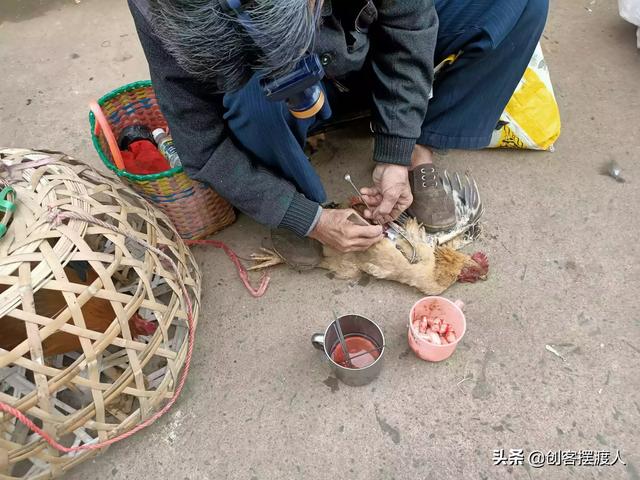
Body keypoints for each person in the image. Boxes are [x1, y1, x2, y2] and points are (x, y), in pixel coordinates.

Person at [128, 0, 548, 253]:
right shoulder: (159, 10)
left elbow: (408, 23)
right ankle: (303, 199)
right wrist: (303, 218)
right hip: (280, 88)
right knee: (251, 98)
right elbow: (198, 142)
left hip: (353, 37)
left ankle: (422, 143)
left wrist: (397, 149)